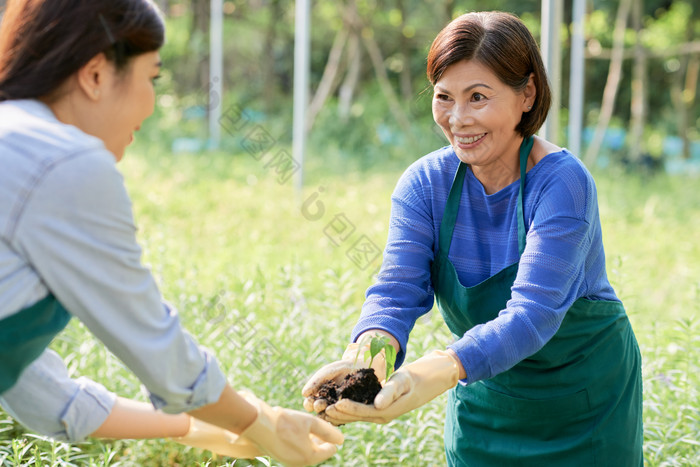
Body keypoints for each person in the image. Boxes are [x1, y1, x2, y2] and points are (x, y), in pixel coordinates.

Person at [0, 1, 343, 466]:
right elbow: (159, 351)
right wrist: (260, 423)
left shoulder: (17, 145)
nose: (152, 102)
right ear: (96, 74)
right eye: (152, 77)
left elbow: (42, 393)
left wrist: (202, 429)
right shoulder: (61, 162)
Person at [303, 11, 643, 466]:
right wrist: (367, 360)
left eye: (478, 97)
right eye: (444, 97)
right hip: (484, 400)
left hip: (585, 406)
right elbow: (397, 290)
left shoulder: (562, 184)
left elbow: (533, 315)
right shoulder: (424, 184)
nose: (458, 119)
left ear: (527, 95)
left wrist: (434, 372)